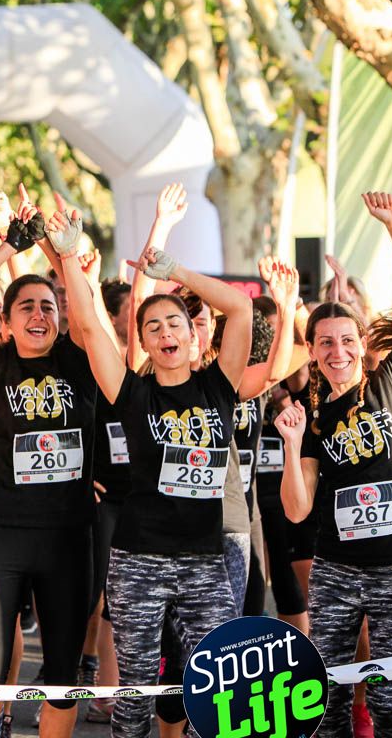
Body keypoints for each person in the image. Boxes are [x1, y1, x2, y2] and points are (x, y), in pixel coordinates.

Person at [51, 195, 252, 738]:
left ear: (191, 337)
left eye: (175, 324)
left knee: (217, 691)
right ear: (143, 342)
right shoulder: (132, 393)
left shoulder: (219, 387)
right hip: (138, 561)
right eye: (154, 328)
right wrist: (70, 259)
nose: (165, 333)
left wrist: (174, 271)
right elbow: (92, 328)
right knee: (135, 696)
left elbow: (241, 308)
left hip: (205, 563)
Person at [277, 192, 392, 738]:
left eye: (346, 340)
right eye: (325, 343)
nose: (337, 350)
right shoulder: (315, 418)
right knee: (329, 701)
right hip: (339, 569)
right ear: (313, 351)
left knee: (390, 700)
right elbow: (297, 511)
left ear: (361, 342)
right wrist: (294, 447)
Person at [0, 190, 100, 738]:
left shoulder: (79, 360)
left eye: (48, 307)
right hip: (4, 533)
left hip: (68, 536)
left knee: (60, 670)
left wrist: (63, 255)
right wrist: (10, 244)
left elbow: (85, 309)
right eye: (25, 307)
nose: (39, 314)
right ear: (7, 322)